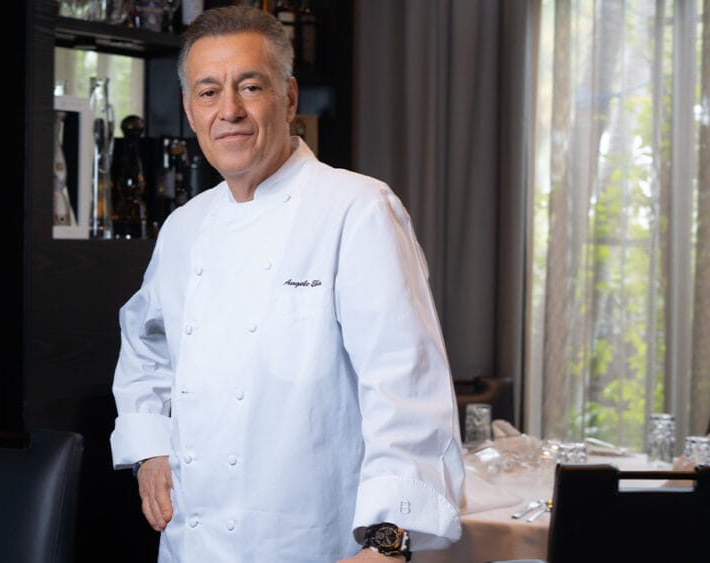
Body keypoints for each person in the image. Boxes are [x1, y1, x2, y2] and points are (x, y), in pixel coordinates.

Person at [109, 5, 464, 562]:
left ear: (290, 97)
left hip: (315, 542)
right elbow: (145, 345)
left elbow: (406, 388)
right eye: (208, 92)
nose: (229, 110)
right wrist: (150, 447)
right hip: (192, 544)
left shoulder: (357, 209)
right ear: (189, 109)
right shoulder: (184, 227)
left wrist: (388, 542)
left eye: (250, 87)